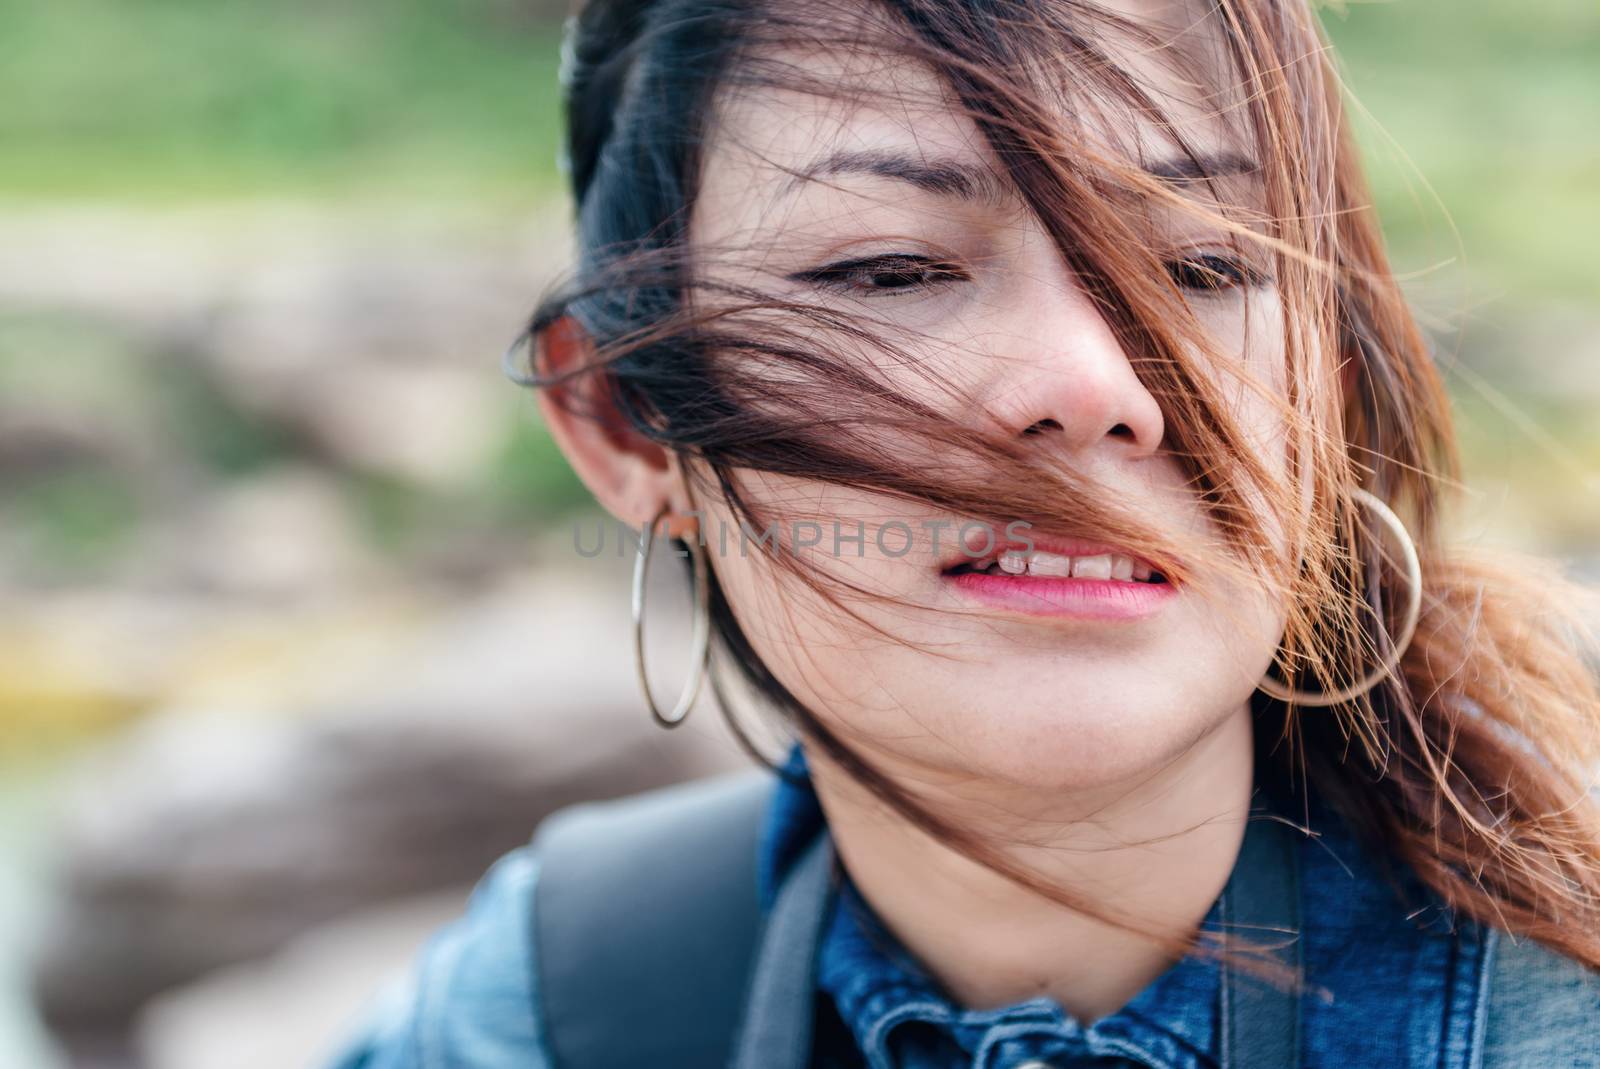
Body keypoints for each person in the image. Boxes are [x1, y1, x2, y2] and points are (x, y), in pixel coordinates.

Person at [324, 0, 1600, 1065]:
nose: (1089, 384)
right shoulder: (554, 1009)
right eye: (891, 271)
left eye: (1203, 268)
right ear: (626, 425)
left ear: (1331, 385)